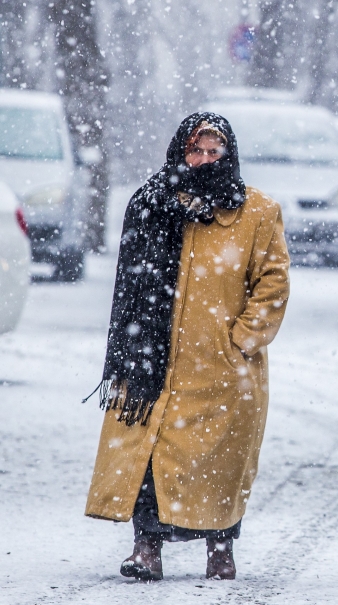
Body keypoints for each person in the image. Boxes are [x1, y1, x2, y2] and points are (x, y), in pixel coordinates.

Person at [84, 113, 290, 581]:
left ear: (229, 155)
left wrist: (239, 341)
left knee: (221, 463)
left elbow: (272, 284)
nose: (202, 160)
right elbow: (131, 284)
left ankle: (220, 549)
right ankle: (146, 549)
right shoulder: (153, 205)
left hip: (222, 370)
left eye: (212, 151)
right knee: (150, 457)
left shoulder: (257, 212)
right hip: (154, 366)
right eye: (193, 151)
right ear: (180, 152)